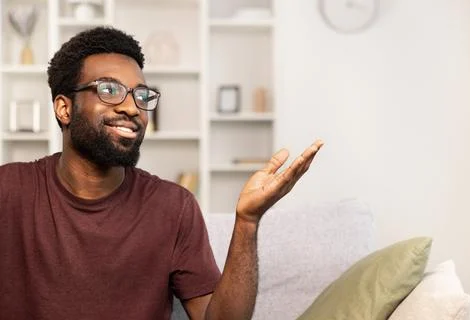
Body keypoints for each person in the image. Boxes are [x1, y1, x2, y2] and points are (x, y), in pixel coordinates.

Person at [0, 26, 323, 320]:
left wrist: (248, 223)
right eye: (109, 90)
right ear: (64, 108)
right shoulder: (9, 190)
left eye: (141, 95)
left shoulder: (172, 206)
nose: (131, 108)